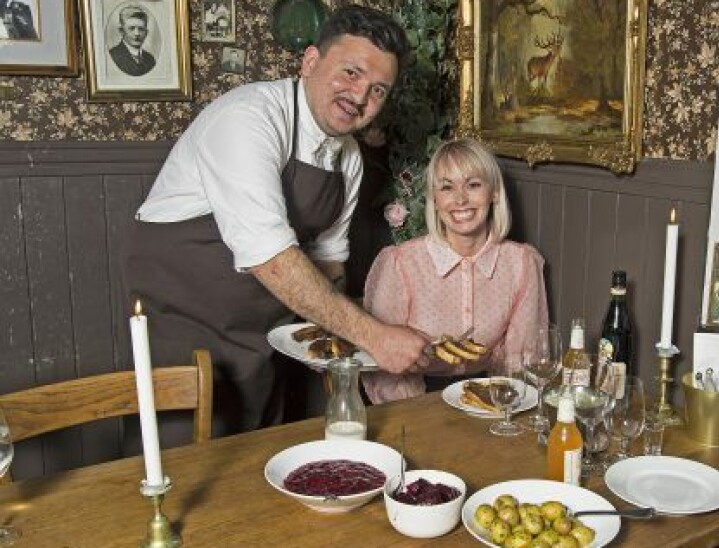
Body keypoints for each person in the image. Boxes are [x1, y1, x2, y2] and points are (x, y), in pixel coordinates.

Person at [121, 5, 427, 435]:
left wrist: (338, 346)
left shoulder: (349, 158)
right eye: (351, 73)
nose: (359, 98)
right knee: (185, 469)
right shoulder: (248, 118)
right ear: (310, 61)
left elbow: (329, 264)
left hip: (265, 335)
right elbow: (273, 260)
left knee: (258, 461)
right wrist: (375, 337)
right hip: (188, 326)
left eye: (378, 90)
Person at [361, 138, 549, 404]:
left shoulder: (521, 263)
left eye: (473, 185)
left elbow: (522, 358)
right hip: (417, 401)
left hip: (491, 398)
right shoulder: (401, 263)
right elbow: (384, 367)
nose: (460, 199)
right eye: (447, 187)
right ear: (434, 200)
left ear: (494, 193)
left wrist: (499, 406)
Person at [109, 4, 156, 77]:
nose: (137, 33)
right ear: (121, 31)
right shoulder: (113, 56)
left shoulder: (150, 59)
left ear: (146, 33)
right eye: (131, 28)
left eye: (141, 29)